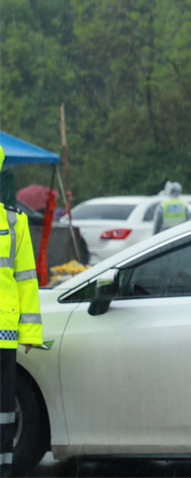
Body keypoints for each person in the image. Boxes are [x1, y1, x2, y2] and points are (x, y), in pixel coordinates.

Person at [0, 146, 43, 478]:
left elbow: (27, 279)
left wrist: (30, 332)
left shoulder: (15, 222)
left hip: (3, 335)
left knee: (3, 413)